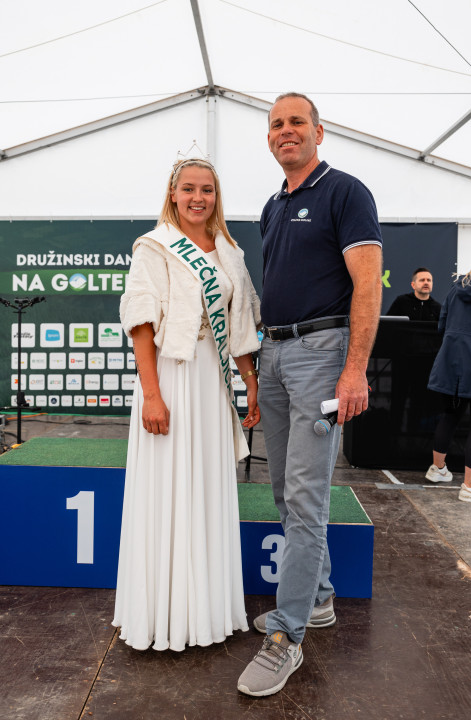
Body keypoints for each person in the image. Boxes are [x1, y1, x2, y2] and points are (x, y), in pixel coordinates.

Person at [237, 93, 383, 697]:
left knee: (304, 497)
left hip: (323, 356)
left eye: (297, 121)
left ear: (319, 132)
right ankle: (317, 599)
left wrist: (354, 371)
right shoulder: (274, 205)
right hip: (273, 354)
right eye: (276, 124)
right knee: (284, 490)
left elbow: (367, 285)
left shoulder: (345, 192)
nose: (286, 131)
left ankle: (286, 635)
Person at [113, 158, 262, 652]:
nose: (199, 198)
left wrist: (249, 381)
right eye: (189, 189)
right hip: (171, 379)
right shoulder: (154, 247)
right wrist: (152, 395)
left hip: (211, 383)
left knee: (206, 486)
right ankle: (163, 614)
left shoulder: (230, 252)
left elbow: (240, 324)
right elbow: (140, 323)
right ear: (173, 194)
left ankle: (206, 611)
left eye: (208, 190)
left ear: (216, 197)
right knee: (168, 486)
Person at [425, 251, 471, 501]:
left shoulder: (457, 287)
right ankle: (470, 486)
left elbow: (442, 324)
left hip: (451, 361)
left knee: (451, 415)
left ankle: (438, 469)